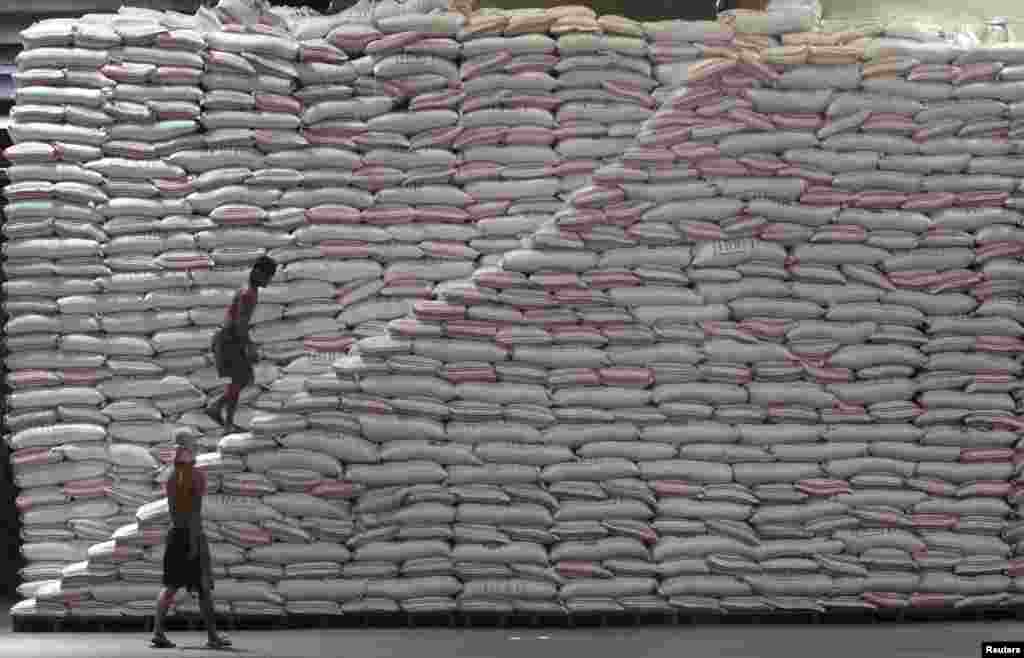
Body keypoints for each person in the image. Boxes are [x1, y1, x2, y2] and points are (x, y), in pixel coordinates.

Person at [151, 429, 231, 649]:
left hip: (175, 533)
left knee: (170, 586)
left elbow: (177, 509)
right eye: (194, 446)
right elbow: (194, 511)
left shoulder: (169, 474)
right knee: (204, 587)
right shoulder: (196, 475)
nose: (196, 449)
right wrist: (195, 542)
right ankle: (213, 638)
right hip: (191, 534)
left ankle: (157, 632)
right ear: (188, 450)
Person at [205, 256, 277, 433]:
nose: (269, 280)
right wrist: (249, 346)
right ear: (257, 272)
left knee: (241, 379)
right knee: (241, 379)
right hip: (230, 339)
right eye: (268, 276)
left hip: (229, 337)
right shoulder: (248, 294)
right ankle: (226, 421)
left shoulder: (250, 289)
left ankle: (218, 409)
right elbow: (240, 324)